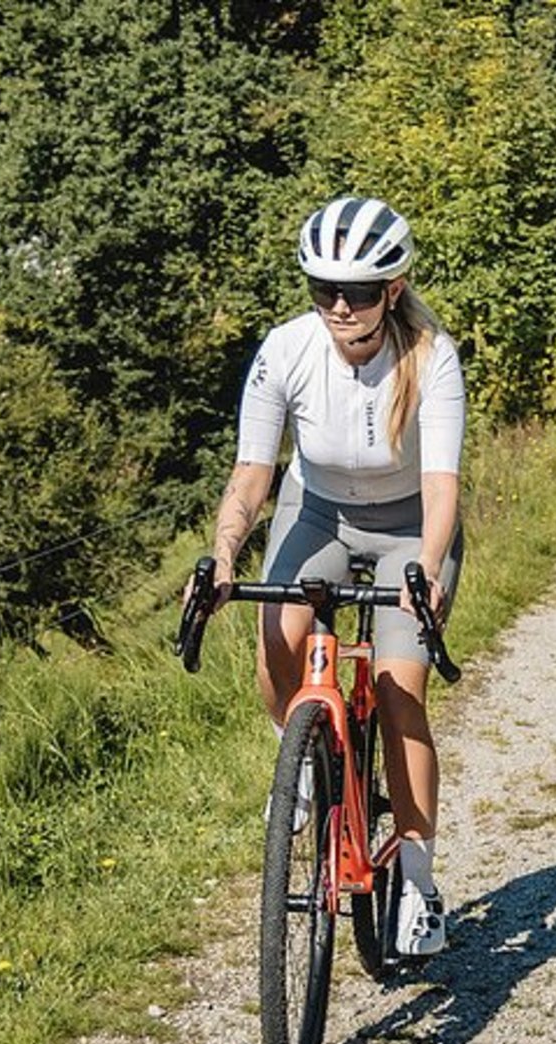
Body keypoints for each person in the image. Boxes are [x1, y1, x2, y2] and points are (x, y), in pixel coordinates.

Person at [194, 195, 463, 957]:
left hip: (410, 524)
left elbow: (443, 488)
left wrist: (428, 569)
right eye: (323, 289)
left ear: (394, 290)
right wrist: (222, 556)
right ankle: (303, 758)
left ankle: (416, 878)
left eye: (357, 292)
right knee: (277, 638)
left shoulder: (431, 357)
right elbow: (253, 474)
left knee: (400, 685)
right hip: (316, 513)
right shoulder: (285, 351)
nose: (339, 306)